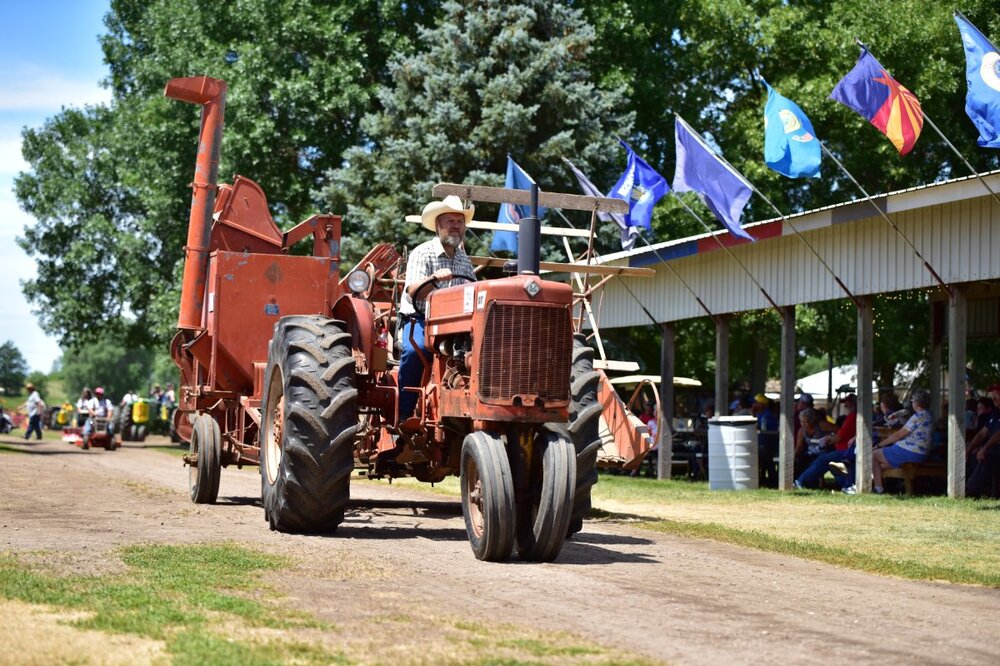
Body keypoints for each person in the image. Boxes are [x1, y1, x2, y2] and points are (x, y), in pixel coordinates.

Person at [397, 195, 476, 422]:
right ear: (437, 226)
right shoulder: (422, 253)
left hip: (456, 324)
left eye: (459, 221)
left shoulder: (463, 258)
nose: (455, 225)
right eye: (450, 221)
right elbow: (414, 292)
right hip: (421, 319)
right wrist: (432, 279)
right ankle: (404, 412)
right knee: (416, 351)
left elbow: (472, 288)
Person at [851, 389, 933, 495]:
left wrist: (879, 445)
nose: (912, 403)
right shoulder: (929, 415)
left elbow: (898, 435)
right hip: (922, 453)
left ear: (916, 403)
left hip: (910, 451)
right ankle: (860, 485)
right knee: (879, 466)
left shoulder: (917, 417)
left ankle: (878, 489)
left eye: (912, 401)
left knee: (872, 455)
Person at [793, 393, 859, 490]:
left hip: (846, 450)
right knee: (827, 462)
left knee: (824, 459)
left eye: (847, 403)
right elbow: (799, 446)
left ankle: (801, 482)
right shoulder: (802, 430)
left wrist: (829, 438)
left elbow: (839, 436)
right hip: (843, 450)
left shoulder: (852, 417)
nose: (845, 405)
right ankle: (846, 485)